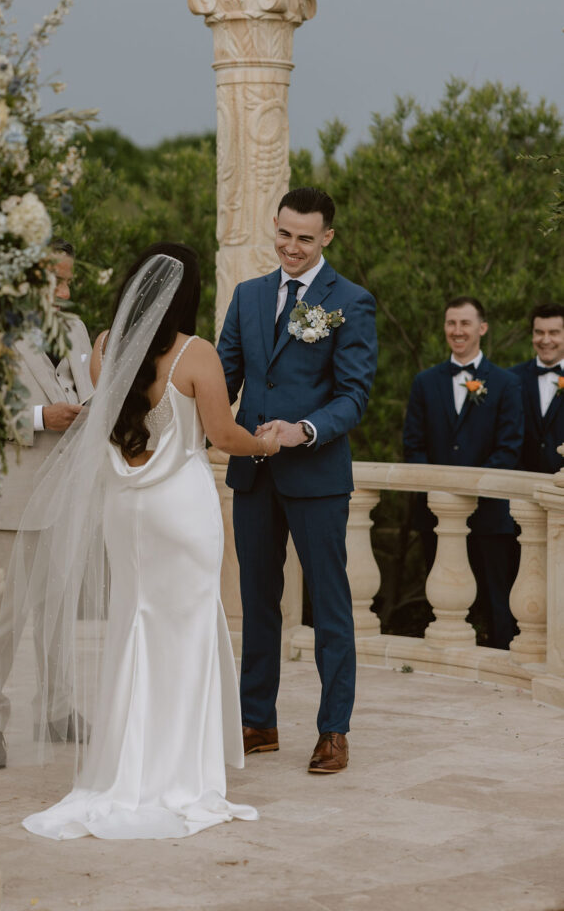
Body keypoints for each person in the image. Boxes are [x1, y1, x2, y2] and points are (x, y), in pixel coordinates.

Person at [0, 242, 281, 840]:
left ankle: (126, 765)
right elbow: (224, 435)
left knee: (134, 625)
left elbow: (117, 427)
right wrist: (268, 443)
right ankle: (179, 769)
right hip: (180, 506)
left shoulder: (104, 348)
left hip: (125, 508)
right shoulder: (197, 354)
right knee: (189, 629)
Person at [217, 186, 378, 775]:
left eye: (305, 238)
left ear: (327, 238)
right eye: (284, 233)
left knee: (329, 605)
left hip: (317, 477)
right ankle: (257, 722)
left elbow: (354, 396)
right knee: (257, 602)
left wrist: (305, 429)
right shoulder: (248, 295)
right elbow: (222, 377)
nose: (291, 247)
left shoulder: (352, 302)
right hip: (253, 476)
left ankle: (333, 730)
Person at [0, 239, 93, 770]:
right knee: (3, 616)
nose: (66, 292)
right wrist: (37, 419)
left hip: (71, 489)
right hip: (16, 490)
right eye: (57, 281)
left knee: (59, 609)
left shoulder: (72, 329)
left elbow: (91, 391)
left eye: (69, 281)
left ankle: (58, 709)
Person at [403, 296, 523, 650]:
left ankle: (497, 669)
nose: (457, 331)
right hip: (436, 514)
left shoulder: (505, 383)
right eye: (451, 323)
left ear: (482, 328)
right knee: (443, 600)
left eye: (465, 323)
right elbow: (413, 445)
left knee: (496, 600)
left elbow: (509, 448)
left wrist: (469, 490)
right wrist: (440, 491)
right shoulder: (425, 382)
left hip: (489, 514)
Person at [510, 303, 564, 474]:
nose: (545, 340)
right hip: (519, 486)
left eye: (553, 333)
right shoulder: (511, 379)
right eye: (539, 332)